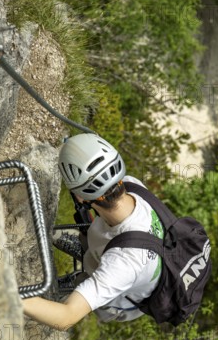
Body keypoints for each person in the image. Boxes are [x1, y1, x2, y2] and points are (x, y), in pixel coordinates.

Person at [22, 134, 164, 330]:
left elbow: (66, 318)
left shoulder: (122, 264)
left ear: (80, 197)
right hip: (127, 253)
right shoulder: (133, 186)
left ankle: (82, 282)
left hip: (123, 297)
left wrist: (11, 297)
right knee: (99, 243)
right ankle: (88, 252)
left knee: (76, 296)